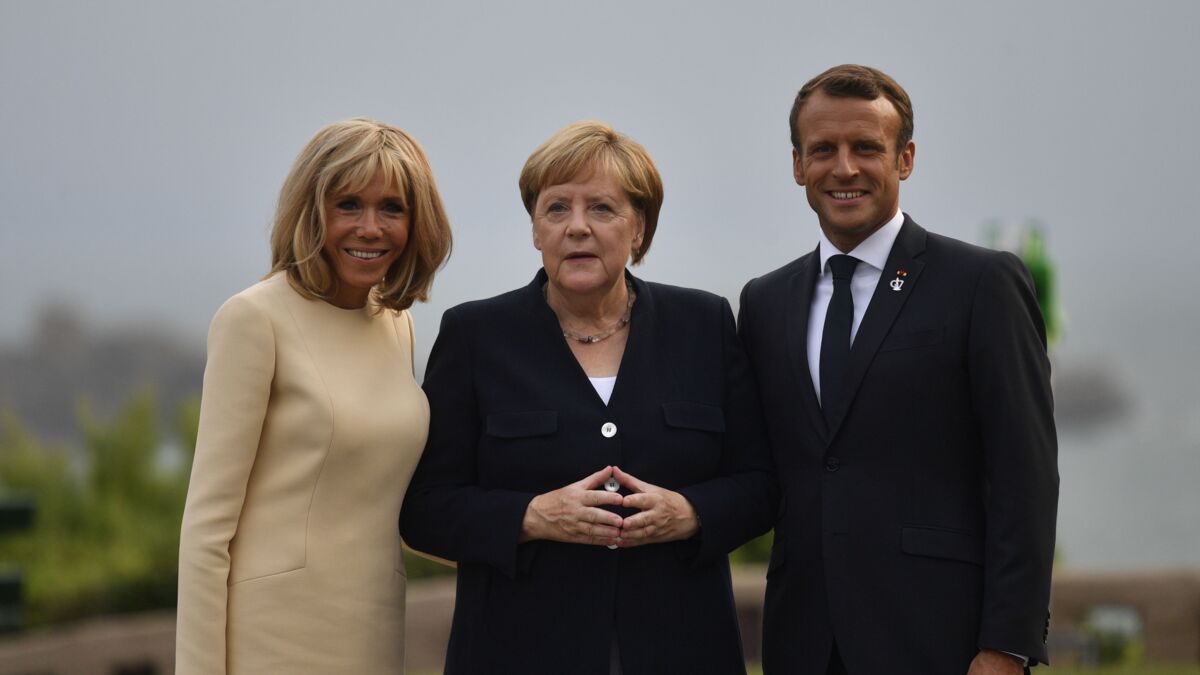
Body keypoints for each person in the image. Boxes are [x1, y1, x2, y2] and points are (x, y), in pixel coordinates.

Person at [400, 120, 775, 675]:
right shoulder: (475, 335)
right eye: (556, 209)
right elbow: (424, 508)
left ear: (640, 228)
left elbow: (762, 483)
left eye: (601, 208)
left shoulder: (704, 324)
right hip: (515, 652)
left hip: (684, 649)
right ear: (534, 228)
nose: (577, 228)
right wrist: (531, 516)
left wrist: (691, 513)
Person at [738, 65, 1058, 675]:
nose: (845, 168)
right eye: (823, 150)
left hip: (942, 641)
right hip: (803, 642)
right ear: (798, 165)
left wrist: (1007, 646)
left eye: (866, 148)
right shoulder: (764, 302)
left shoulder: (982, 283)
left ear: (905, 159)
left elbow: (1027, 476)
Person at [176, 118, 452, 674]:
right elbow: (206, 530)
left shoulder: (396, 324)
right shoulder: (254, 318)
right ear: (311, 210)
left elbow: (393, 501)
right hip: (273, 638)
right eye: (348, 204)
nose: (370, 228)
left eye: (392, 208)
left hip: (374, 630)